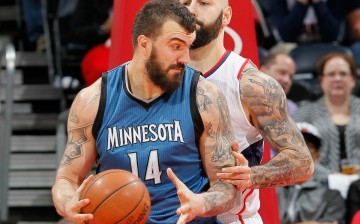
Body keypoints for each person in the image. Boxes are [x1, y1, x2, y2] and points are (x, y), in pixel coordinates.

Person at [52, 0, 239, 223]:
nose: (186, 59)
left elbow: (226, 185)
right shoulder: (92, 101)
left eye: (188, 47)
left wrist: (202, 203)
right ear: (144, 44)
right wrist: (68, 203)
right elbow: (67, 178)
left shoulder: (205, 96)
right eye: (176, 46)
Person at [178, 0, 314, 223]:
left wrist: (251, 176)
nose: (191, 10)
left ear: (226, 16)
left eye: (203, 2)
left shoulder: (250, 83)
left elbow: (302, 161)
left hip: (231, 218)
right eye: (184, 2)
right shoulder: (157, 77)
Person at [294, 52, 360, 184]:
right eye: (331, 74)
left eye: (343, 74)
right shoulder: (305, 113)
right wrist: (332, 177)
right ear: (321, 80)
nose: (337, 79)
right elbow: (295, 155)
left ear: (353, 80)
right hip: (317, 186)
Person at [277, 122, 346, 224]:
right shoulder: (269, 190)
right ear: (281, 152)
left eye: (309, 145)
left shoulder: (331, 196)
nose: (302, 150)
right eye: (295, 143)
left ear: (317, 156)